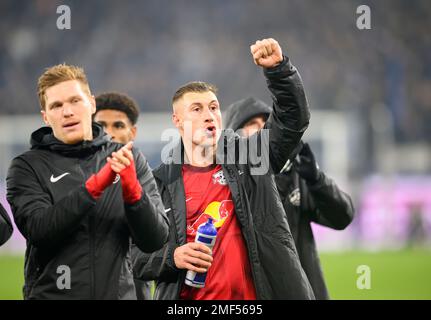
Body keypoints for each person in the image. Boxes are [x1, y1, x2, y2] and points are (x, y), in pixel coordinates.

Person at [133, 38, 315, 299]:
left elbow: (292, 121)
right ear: (177, 121)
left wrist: (279, 71)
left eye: (214, 108)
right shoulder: (158, 183)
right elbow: (135, 255)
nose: (209, 115)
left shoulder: (252, 160)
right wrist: (172, 257)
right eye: (197, 109)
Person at [6, 64, 169, 300]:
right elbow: (39, 230)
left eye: (75, 101)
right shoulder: (27, 166)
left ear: (91, 104)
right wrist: (93, 188)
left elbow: (155, 239)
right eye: (56, 106)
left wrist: (135, 195)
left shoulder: (128, 157)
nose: (67, 111)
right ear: (46, 116)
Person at [224, 97, 355, 299]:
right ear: (233, 136)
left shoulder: (296, 175)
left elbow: (342, 216)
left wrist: (316, 179)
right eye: (252, 124)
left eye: (265, 124)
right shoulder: (225, 186)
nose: (261, 129)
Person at [94, 92, 153, 300]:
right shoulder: (75, 174)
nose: (109, 133)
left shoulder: (146, 179)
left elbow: (155, 241)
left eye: (118, 126)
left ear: (133, 132)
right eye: (101, 125)